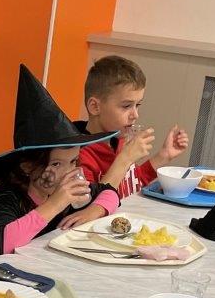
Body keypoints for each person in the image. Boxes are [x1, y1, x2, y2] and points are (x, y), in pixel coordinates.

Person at [0, 65, 119, 261]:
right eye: (56, 165)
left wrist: (93, 210)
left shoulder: (66, 191)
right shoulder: (8, 197)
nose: (69, 171)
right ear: (27, 167)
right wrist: (55, 204)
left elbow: (109, 192)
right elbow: (0, 245)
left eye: (73, 161)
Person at [74, 55, 189, 201]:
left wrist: (164, 156)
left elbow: (132, 184)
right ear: (95, 107)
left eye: (137, 105)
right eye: (126, 106)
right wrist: (125, 158)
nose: (135, 115)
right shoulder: (78, 156)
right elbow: (94, 206)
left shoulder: (119, 138)